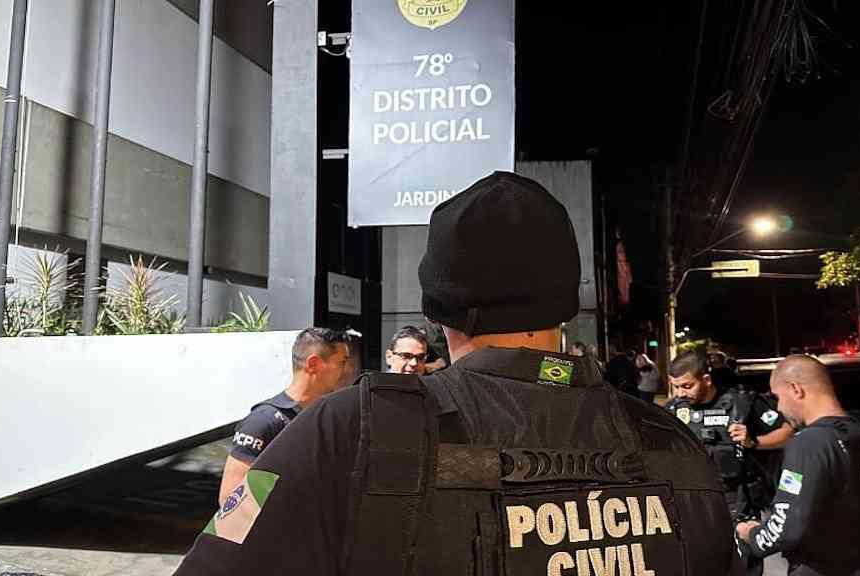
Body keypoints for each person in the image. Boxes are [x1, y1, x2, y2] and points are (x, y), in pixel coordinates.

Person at [176, 171, 740, 575]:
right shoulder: (671, 442)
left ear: (436, 310)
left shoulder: (345, 429)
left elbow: (220, 553)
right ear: (566, 305)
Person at [736, 355, 860, 575]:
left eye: (777, 397)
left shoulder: (809, 444)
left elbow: (787, 526)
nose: (779, 407)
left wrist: (752, 535)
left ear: (796, 389)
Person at [664, 348, 793, 576]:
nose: (680, 393)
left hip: (737, 501)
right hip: (693, 502)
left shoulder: (742, 403)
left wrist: (754, 442)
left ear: (706, 380)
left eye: (687, 386)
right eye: (676, 387)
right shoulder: (674, 410)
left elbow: (787, 432)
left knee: (741, 566)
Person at [216, 327, 349, 505]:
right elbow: (230, 500)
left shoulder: (328, 420)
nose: (348, 370)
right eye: (342, 362)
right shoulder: (264, 421)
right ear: (313, 364)